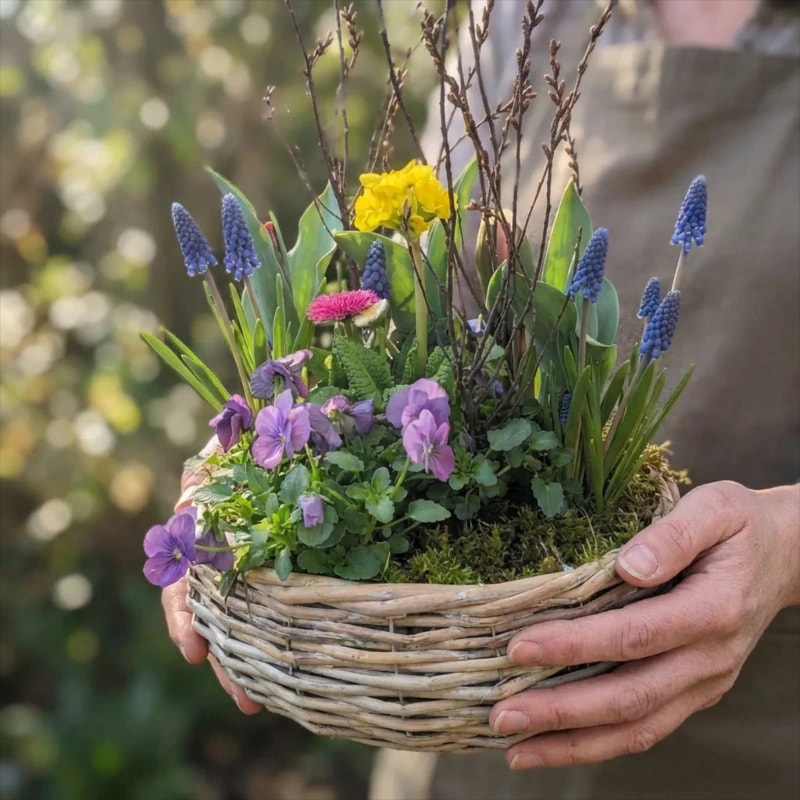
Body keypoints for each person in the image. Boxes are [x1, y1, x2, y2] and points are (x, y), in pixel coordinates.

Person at [161, 1, 800, 798]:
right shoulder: (523, 17)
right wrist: (265, 447)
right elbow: (420, 284)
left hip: (749, 738)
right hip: (457, 717)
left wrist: (788, 542)